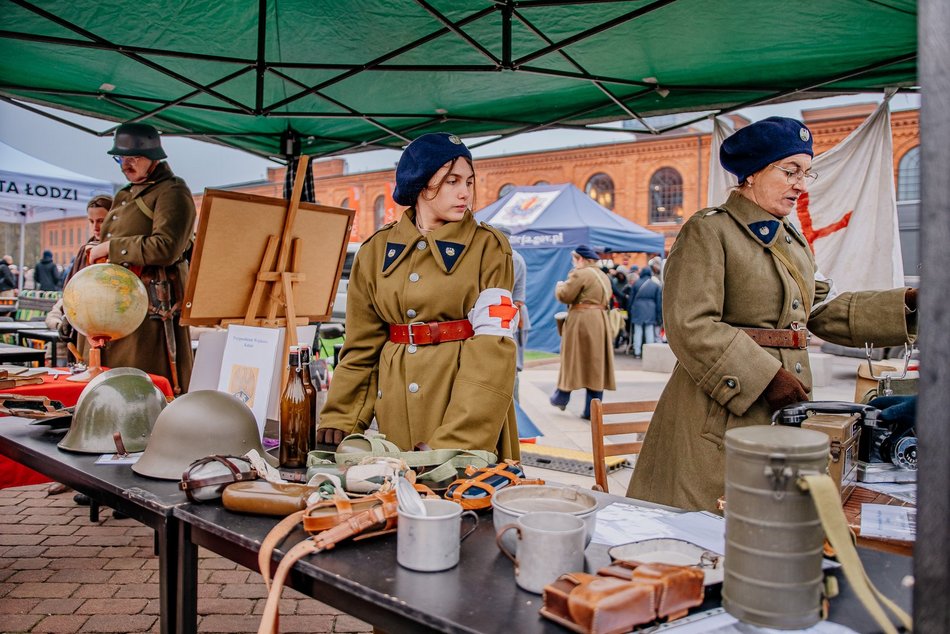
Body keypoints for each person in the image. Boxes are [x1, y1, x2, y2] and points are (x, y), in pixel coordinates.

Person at [627, 116, 917, 513]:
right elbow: (690, 325)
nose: (801, 183)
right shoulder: (710, 231)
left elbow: (818, 313)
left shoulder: (792, 241)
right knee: (710, 521)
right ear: (751, 174)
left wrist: (908, 307)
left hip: (784, 406)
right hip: (721, 411)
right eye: (791, 170)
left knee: (767, 522)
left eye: (806, 173)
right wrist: (766, 377)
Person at [316, 133, 520, 460]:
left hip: (463, 408)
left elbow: (493, 351)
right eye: (451, 181)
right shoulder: (375, 251)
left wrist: (457, 441)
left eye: (469, 181)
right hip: (395, 410)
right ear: (421, 184)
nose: (465, 192)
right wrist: (342, 415)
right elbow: (362, 345)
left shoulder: (488, 248)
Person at [86, 123, 195, 394]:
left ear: (154, 157)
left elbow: (168, 247)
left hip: (153, 309)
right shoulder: (126, 194)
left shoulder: (172, 191)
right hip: (121, 306)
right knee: (115, 387)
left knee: (144, 388)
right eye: (121, 157)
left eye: (134, 157)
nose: (126, 164)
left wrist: (112, 248)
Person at [549, 245, 616, 419]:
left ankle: (561, 397)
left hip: (581, 321)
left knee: (572, 359)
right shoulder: (603, 275)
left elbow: (566, 295)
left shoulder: (580, 273)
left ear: (580, 259)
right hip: (600, 321)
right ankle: (591, 410)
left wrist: (559, 286)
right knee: (596, 365)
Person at [48, 195, 112, 338]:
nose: (95, 227)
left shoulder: (120, 251)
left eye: (101, 221)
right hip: (83, 324)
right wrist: (64, 317)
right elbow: (71, 291)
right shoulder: (84, 251)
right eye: (91, 221)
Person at [628, 266, 662, 358]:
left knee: (637, 331)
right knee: (649, 331)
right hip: (651, 310)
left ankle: (637, 352)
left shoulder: (636, 284)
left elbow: (630, 300)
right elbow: (659, 302)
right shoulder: (655, 285)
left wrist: (629, 311)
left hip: (638, 309)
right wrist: (659, 315)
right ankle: (649, 353)